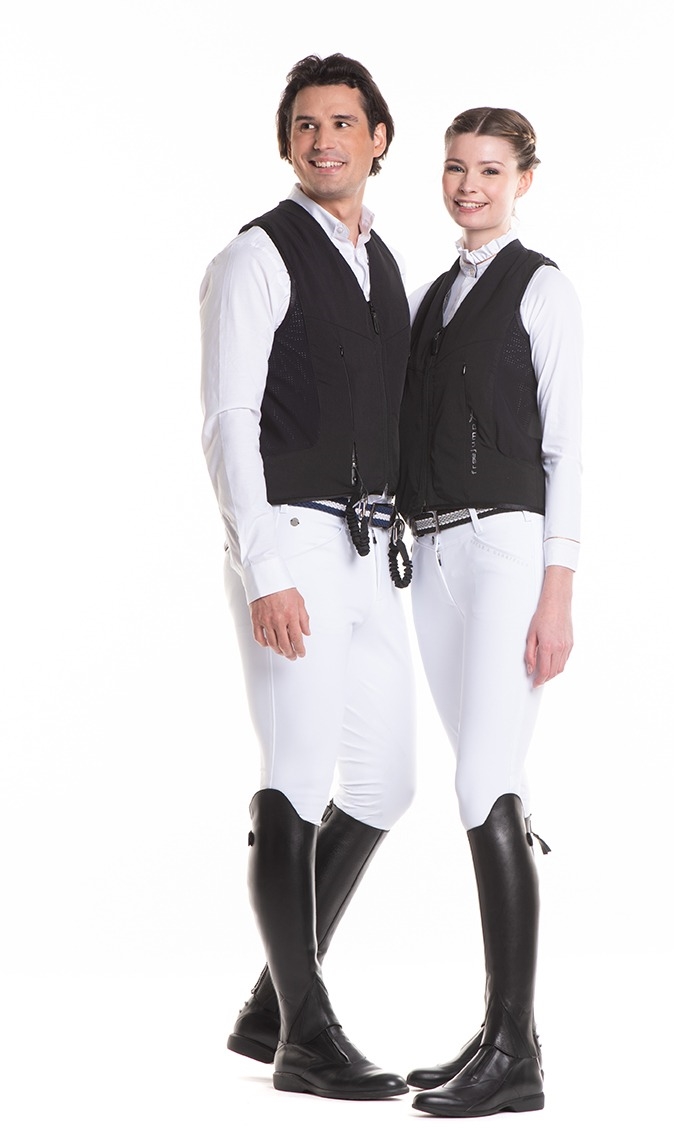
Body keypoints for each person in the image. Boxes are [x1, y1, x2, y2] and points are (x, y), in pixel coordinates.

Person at [199, 53, 415, 1101]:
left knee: (386, 781)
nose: (323, 140)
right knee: (295, 771)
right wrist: (263, 566)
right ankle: (306, 1037)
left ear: (378, 138)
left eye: (341, 122)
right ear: (287, 142)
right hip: (291, 538)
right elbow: (228, 419)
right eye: (304, 124)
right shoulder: (257, 255)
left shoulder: (383, 262)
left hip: (370, 551)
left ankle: (268, 1006)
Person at [396, 107, 582, 1117]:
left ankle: (516, 1052)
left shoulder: (540, 286)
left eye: (490, 170)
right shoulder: (433, 297)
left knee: (483, 778)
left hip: (508, 546)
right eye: (455, 168)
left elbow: (565, 449)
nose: (469, 186)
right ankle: (498, 1035)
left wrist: (557, 589)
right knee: (485, 781)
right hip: (433, 556)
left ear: (522, 180)